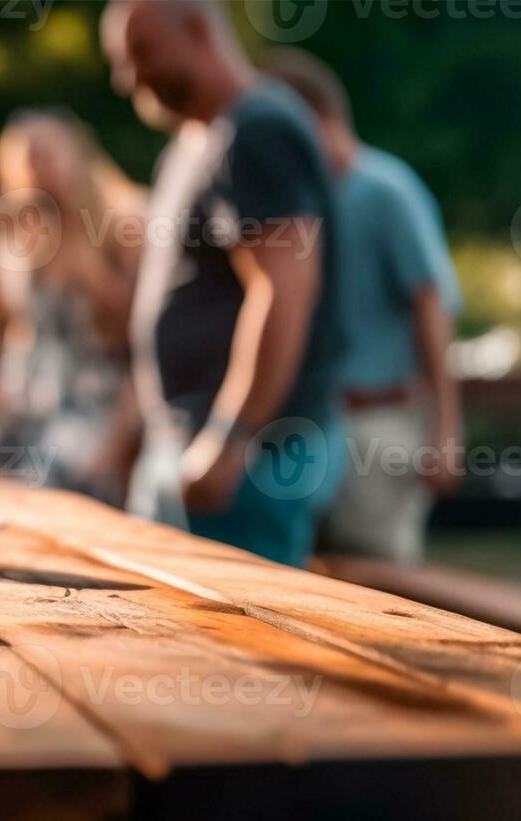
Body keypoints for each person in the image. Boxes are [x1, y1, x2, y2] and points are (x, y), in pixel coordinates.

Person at [102, 0, 347, 567]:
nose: (128, 77)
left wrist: (232, 437)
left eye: (141, 54)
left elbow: (283, 291)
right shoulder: (198, 141)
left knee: (242, 651)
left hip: (249, 458)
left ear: (197, 31)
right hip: (193, 445)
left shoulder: (258, 129)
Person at [267, 49, 463, 564]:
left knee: (378, 570)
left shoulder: (385, 189)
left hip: (380, 420)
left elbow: (433, 303)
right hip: (319, 423)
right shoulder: (305, 200)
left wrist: (445, 427)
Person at [0, 110, 143, 498]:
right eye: (26, 159)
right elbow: (26, 328)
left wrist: (121, 435)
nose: (36, 170)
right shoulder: (24, 236)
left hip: (92, 404)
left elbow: (135, 339)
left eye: (46, 155)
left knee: (45, 479)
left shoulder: (120, 226)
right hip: (29, 401)